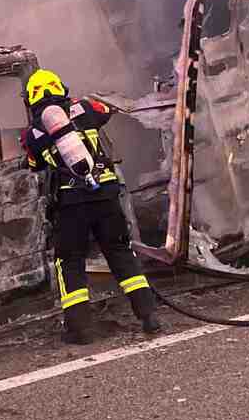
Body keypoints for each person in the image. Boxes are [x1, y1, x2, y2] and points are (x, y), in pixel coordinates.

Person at [21, 68, 163, 344]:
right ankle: (149, 316)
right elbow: (106, 111)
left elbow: (33, 164)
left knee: (70, 262)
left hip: (71, 204)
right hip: (105, 196)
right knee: (120, 253)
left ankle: (79, 329)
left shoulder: (33, 134)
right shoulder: (85, 108)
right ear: (60, 88)